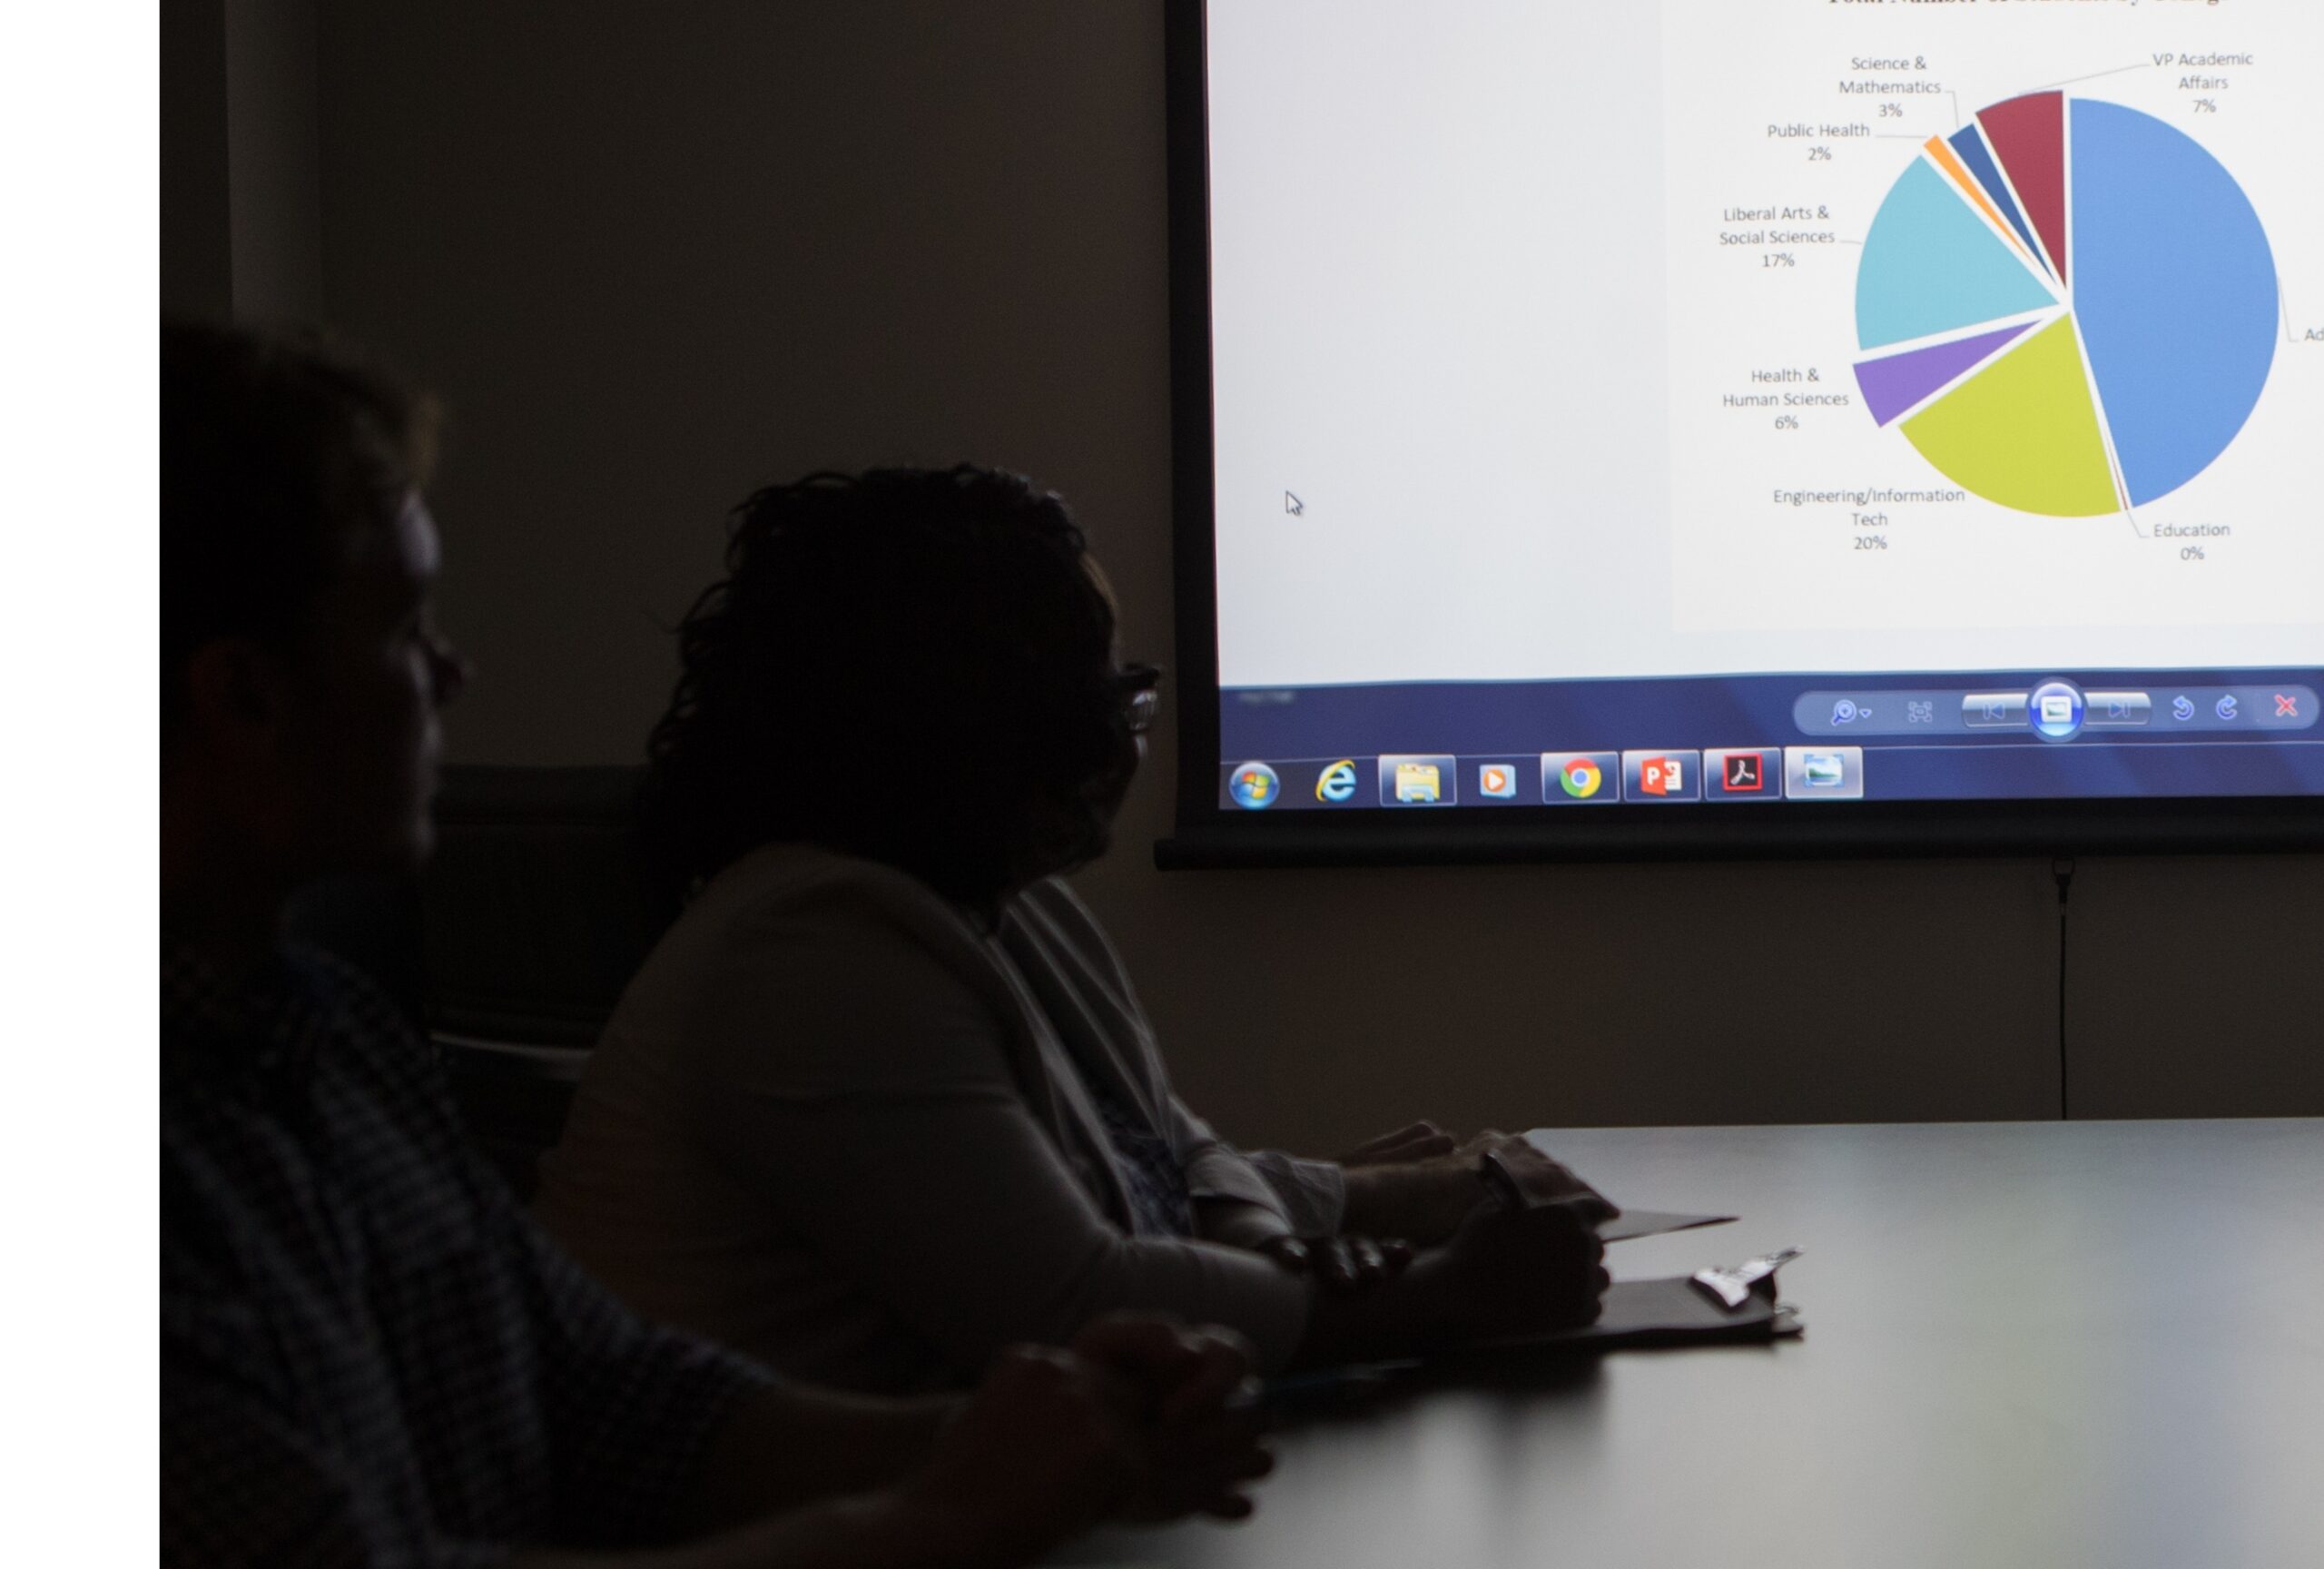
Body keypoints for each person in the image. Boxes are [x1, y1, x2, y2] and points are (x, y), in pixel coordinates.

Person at [160, 325, 1271, 1567]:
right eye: (404, 626)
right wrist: (933, 1517)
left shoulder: (337, 1042)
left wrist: (1035, 1433)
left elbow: (629, 1405)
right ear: (245, 699)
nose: (451, 671)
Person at [534, 466, 1610, 1394]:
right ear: (947, 730)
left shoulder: (1012, 905)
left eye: (1123, 694)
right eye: (1095, 703)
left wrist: (1334, 1214)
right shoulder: (808, 950)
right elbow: (1076, 1302)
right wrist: (1441, 1294)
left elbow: (1169, 1168)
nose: (1121, 749)